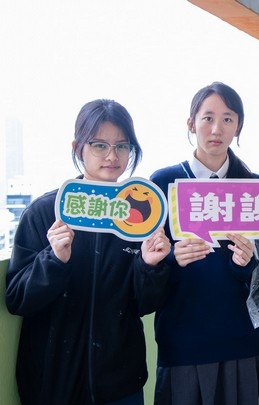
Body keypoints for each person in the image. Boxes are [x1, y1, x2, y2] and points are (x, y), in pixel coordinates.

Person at [5, 99, 172, 405]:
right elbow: (17, 299)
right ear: (78, 147)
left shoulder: (141, 214)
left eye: (122, 146)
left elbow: (145, 304)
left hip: (120, 386)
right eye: (99, 145)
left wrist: (150, 266)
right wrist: (54, 260)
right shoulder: (45, 212)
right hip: (51, 385)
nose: (112, 156)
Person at [150, 82, 259, 405]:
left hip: (240, 340)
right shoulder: (163, 183)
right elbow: (147, 267)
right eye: (208, 118)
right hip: (182, 342)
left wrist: (246, 264)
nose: (217, 129)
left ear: (238, 126)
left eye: (228, 119)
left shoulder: (255, 188)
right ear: (191, 124)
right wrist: (171, 257)